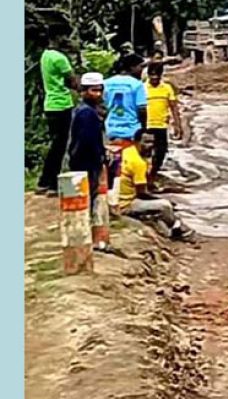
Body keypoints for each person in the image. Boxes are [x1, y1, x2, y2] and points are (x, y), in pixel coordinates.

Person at [116, 131, 195, 241]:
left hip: (117, 198)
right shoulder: (138, 163)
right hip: (127, 203)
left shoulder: (128, 152)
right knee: (165, 205)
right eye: (146, 142)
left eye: (152, 142)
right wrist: (161, 199)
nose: (150, 145)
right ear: (137, 142)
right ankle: (177, 229)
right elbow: (142, 193)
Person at [67, 72, 112, 253]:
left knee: (86, 203)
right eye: (94, 91)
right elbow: (88, 142)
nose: (98, 94)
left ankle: (88, 240)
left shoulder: (83, 110)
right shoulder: (87, 114)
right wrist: (100, 157)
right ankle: (88, 242)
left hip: (80, 162)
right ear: (84, 91)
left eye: (100, 90)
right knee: (86, 203)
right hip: (85, 164)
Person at [37, 27, 77, 196]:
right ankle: (55, 185)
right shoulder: (60, 58)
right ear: (57, 37)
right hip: (62, 104)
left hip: (50, 105)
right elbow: (72, 81)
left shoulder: (45, 56)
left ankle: (44, 182)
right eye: (64, 35)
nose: (67, 39)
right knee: (62, 147)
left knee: (55, 145)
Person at [145, 63, 187, 176]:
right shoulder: (142, 88)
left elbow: (174, 107)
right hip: (146, 126)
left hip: (161, 126)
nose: (154, 78)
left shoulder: (167, 88)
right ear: (148, 75)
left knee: (161, 152)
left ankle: (153, 173)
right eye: (152, 75)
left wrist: (178, 125)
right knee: (145, 153)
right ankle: (145, 177)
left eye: (157, 75)